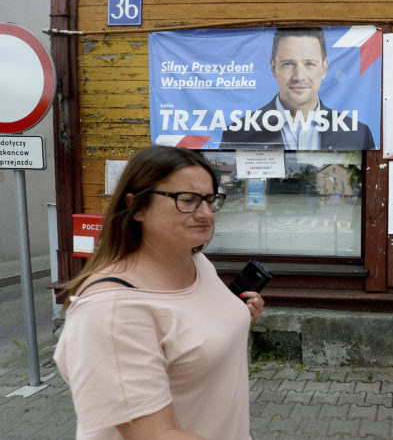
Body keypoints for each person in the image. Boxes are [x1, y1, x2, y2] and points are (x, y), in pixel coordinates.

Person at [54, 145, 264, 439]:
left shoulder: (195, 262)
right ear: (137, 206)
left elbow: (188, 336)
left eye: (210, 199)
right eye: (187, 200)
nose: (206, 214)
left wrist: (235, 318)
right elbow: (156, 434)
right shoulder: (112, 311)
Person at [222, 28, 376, 150]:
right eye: (288, 63)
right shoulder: (237, 133)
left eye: (309, 64)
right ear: (273, 67)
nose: (299, 76)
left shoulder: (358, 134)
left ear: (324, 67)